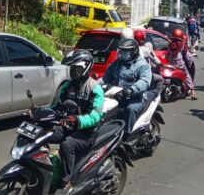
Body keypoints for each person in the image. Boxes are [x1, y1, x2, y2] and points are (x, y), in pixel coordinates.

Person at [49, 50, 105, 190]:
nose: (74, 72)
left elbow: (95, 116)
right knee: (45, 134)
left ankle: (67, 178)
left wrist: (78, 120)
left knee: (67, 144)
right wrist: (39, 112)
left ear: (86, 68)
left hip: (88, 133)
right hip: (68, 125)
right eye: (72, 69)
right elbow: (55, 106)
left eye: (77, 69)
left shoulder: (95, 88)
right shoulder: (66, 86)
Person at [102, 28, 152, 133]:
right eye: (122, 51)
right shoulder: (117, 64)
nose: (123, 53)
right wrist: (92, 86)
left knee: (131, 109)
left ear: (133, 51)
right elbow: (104, 79)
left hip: (136, 98)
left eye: (126, 51)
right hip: (118, 96)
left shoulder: (142, 65)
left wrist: (131, 90)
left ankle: (128, 136)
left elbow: (145, 81)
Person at [167, 35, 197, 99]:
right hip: (180, 63)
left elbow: (168, 53)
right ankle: (192, 91)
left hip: (171, 63)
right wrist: (189, 62)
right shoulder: (182, 44)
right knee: (187, 75)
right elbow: (186, 55)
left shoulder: (170, 44)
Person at [134, 29, 164, 94]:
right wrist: (162, 64)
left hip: (132, 73)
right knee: (160, 79)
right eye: (143, 39)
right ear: (140, 40)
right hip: (143, 74)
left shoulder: (131, 49)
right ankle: (156, 97)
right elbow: (154, 59)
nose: (144, 40)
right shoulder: (145, 50)